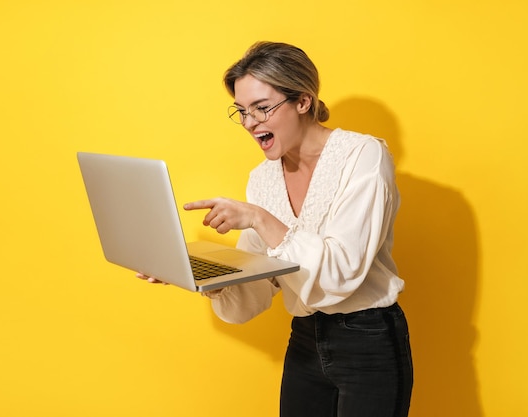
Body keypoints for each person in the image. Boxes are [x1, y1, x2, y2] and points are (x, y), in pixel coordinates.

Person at [138, 41, 413, 417]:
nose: (250, 123)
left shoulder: (363, 156)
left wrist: (260, 219)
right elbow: (256, 289)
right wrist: (200, 276)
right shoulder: (263, 178)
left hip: (368, 340)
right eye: (242, 112)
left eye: (262, 108)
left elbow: (341, 273)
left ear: (303, 101)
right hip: (304, 339)